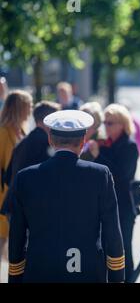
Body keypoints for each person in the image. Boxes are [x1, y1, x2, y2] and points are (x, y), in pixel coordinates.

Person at [8, 110, 124, 283]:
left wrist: (15, 277)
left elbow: (17, 234)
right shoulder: (100, 174)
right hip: (87, 271)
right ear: (83, 141)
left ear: (51, 140)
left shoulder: (25, 177)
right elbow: (112, 231)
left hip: (40, 271)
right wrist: (117, 276)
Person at [88, 104, 139, 282]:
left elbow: (122, 176)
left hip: (124, 207)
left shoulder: (130, 146)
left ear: (122, 124)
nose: (106, 127)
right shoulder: (105, 144)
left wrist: (98, 156)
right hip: (106, 206)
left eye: (110, 123)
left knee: (124, 250)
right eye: (105, 123)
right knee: (105, 249)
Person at [1, 101, 61, 217]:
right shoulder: (46, 143)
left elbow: (7, 178)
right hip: (29, 208)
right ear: (48, 121)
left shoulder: (22, 142)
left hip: (15, 205)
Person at [0, 90, 32, 279]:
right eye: (28, 105)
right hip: (4, 196)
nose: (31, 109)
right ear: (20, 108)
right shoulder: (4, 132)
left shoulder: (22, 130)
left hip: (17, 197)